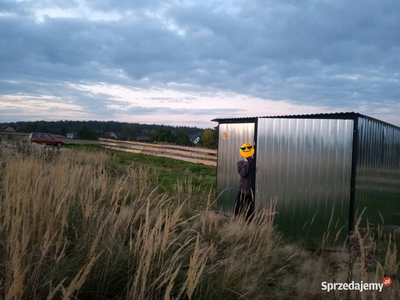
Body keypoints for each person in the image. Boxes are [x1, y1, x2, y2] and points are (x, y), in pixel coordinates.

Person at [234, 155, 255, 222]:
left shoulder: (254, 163)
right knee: (238, 207)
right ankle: (234, 221)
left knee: (250, 209)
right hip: (243, 189)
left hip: (252, 190)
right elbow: (243, 173)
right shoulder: (240, 163)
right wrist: (246, 162)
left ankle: (247, 223)